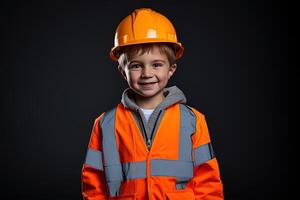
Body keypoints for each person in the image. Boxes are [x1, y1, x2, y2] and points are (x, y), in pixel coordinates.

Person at [81, 8, 224, 200]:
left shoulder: (193, 121)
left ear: (171, 69)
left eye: (156, 64)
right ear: (123, 72)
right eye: (136, 65)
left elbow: (208, 182)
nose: (147, 73)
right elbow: (94, 184)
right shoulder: (105, 124)